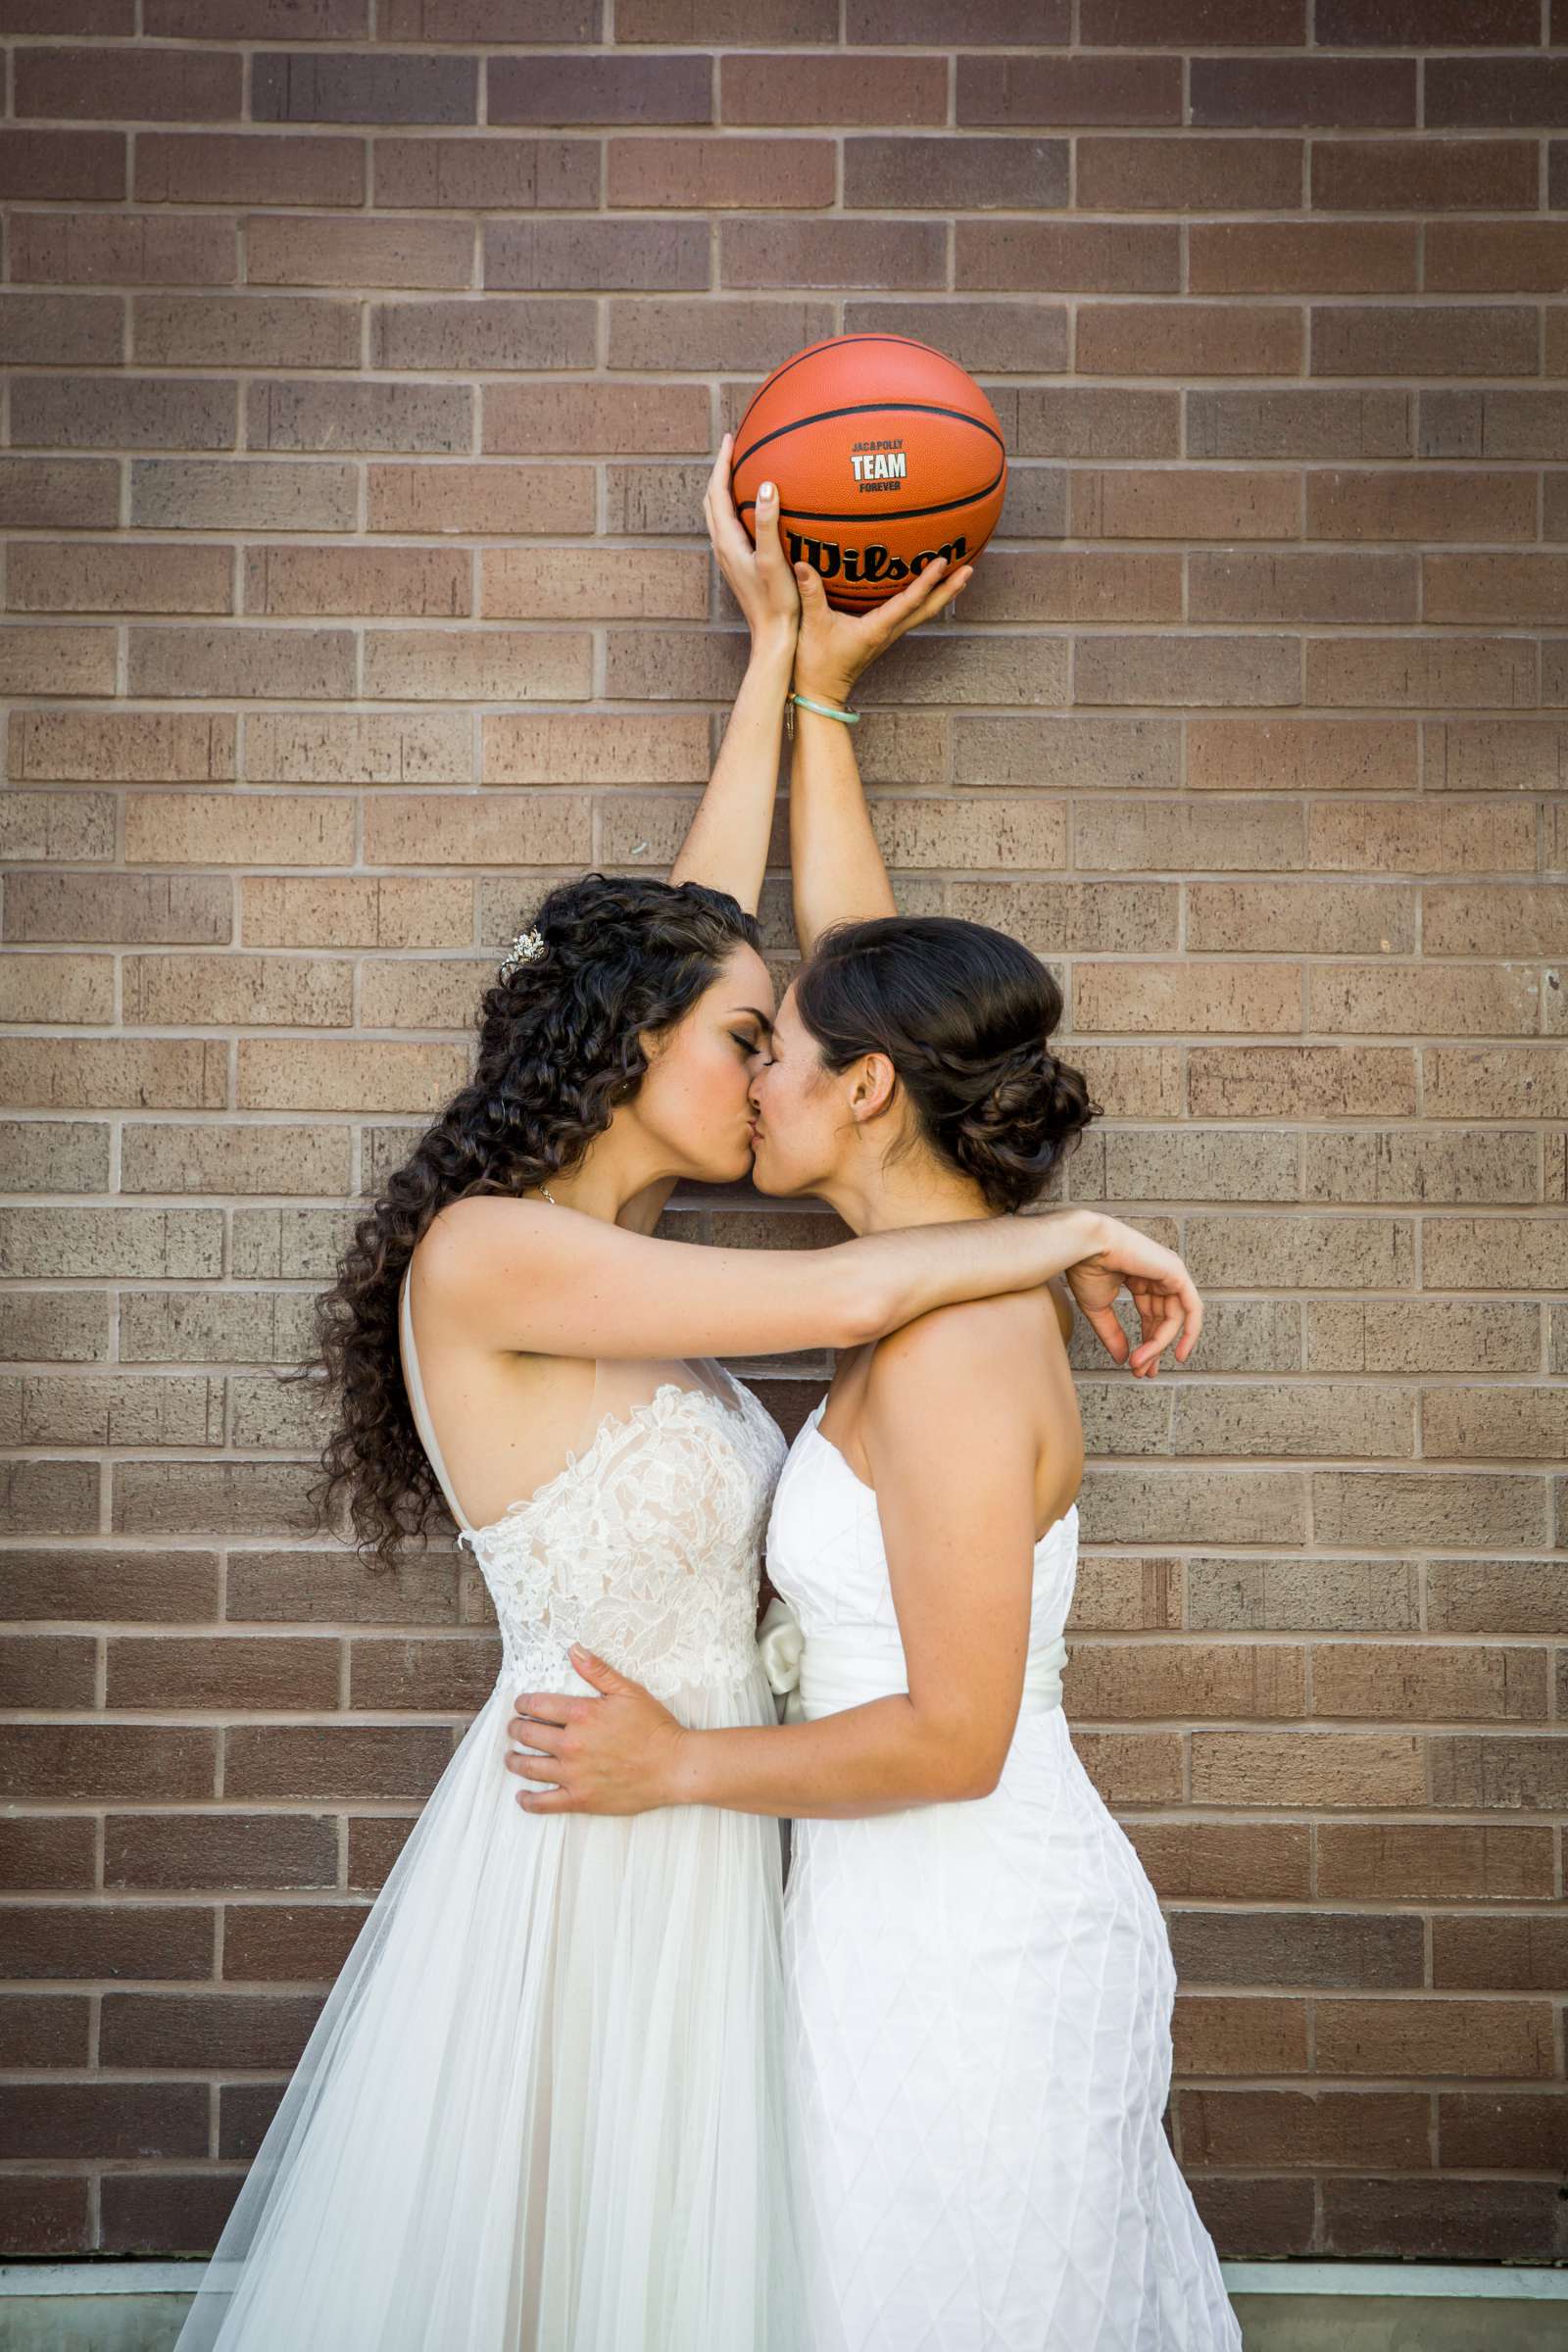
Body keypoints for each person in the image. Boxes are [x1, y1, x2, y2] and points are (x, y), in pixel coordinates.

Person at [171, 442, 1205, 2352]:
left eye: (785, 1056)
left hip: (739, 1854)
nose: (774, 1074)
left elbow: (754, 976)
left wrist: (785, 671)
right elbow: (850, 1228)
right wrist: (1065, 1239)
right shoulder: (490, 1256)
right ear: (631, 1052)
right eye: (743, 1046)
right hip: (591, 1871)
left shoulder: (643, 1233)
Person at [503, 525, 1244, 2350]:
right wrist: (813, 686)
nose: (744, 1068)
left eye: (777, 1049)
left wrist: (673, 1770)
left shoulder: (963, 1343)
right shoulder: (911, 1283)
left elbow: (960, 1735)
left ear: (867, 1089)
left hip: (976, 1957)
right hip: (879, 1937)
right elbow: (856, 966)